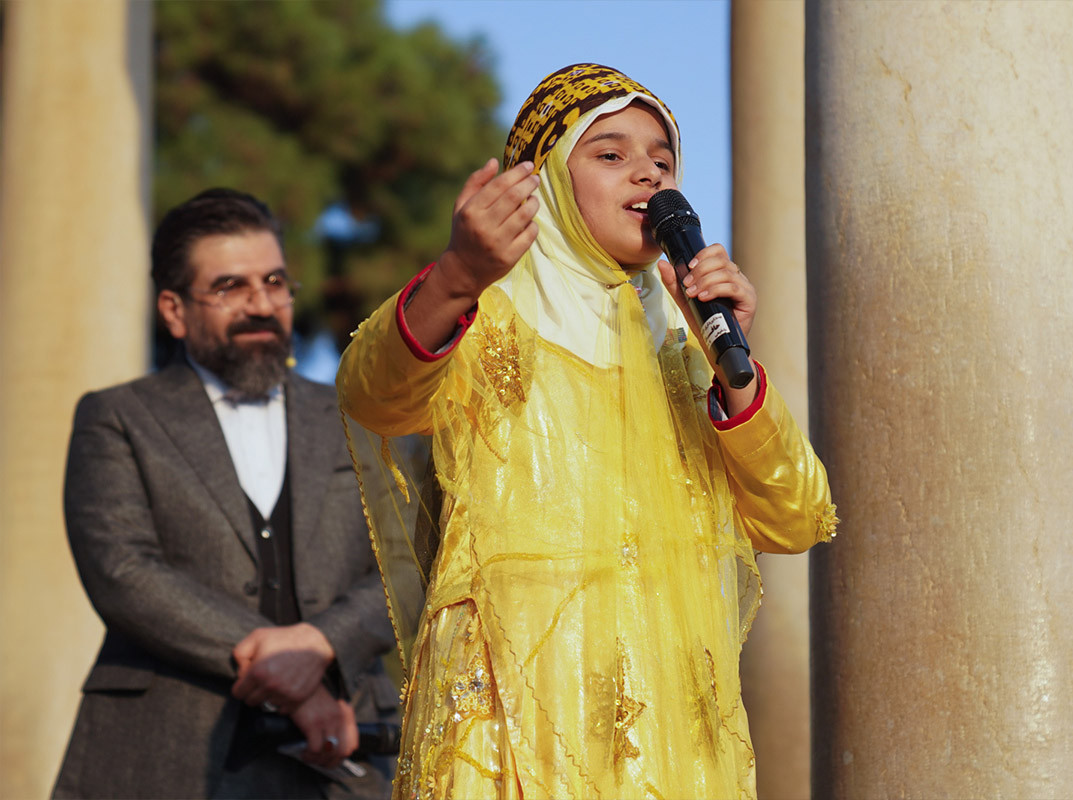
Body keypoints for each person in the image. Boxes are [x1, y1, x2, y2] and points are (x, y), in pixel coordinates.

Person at [338, 64, 838, 799]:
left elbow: (797, 516)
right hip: (512, 727)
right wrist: (455, 277)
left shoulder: (684, 353)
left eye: (663, 160)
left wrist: (729, 365)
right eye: (610, 154)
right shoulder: (484, 315)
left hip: (669, 740)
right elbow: (372, 396)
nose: (649, 173)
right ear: (540, 184)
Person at [53, 189, 398, 799]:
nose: (261, 305)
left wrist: (322, 643)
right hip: (162, 754)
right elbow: (122, 570)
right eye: (230, 287)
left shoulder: (359, 417)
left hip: (344, 749)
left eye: (274, 282)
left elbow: (407, 564)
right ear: (174, 310)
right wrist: (288, 677)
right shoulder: (117, 417)